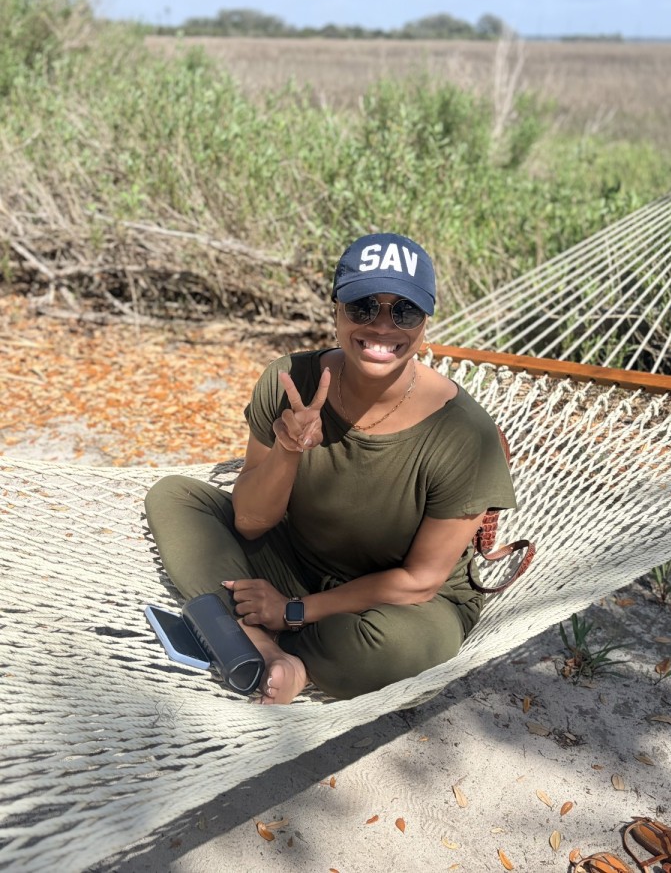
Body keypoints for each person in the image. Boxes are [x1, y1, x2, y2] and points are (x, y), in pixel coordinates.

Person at [144, 232, 517, 704]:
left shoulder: (464, 434)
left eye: (404, 311)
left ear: (426, 325)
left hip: (401, 601)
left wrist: (294, 610)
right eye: (364, 306)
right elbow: (251, 522)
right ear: (336, 311)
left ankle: (282, 654)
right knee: (176, 497)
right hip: (297, 560)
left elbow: (421, 580)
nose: (382, 326)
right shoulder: (289, 382)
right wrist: (288, 448)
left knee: (411, 645)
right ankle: (262, 644)